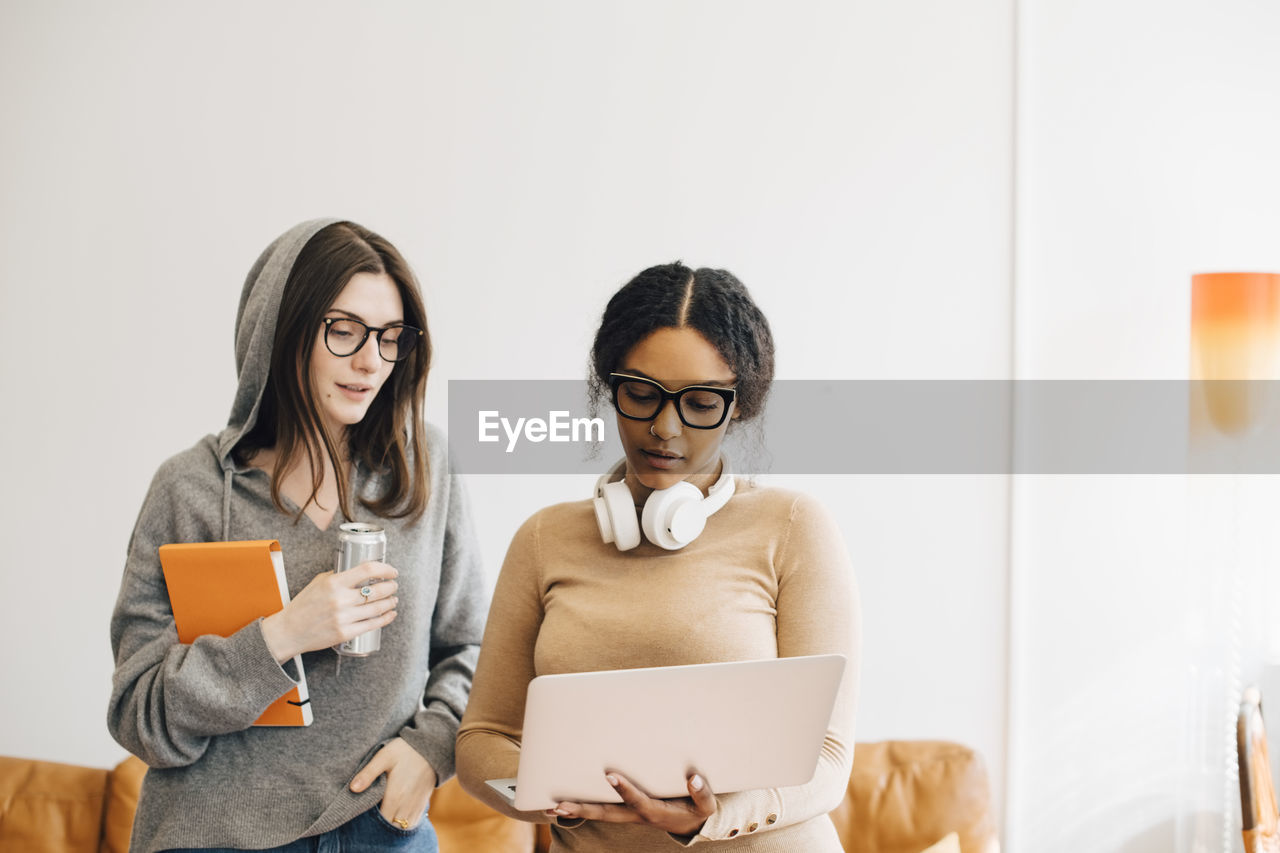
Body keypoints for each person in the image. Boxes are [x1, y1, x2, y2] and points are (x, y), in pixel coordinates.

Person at [107, 219, 487, 853]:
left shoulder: (427, 470)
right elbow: (138, 715)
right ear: (281, 332)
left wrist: (430, 751)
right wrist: (281, 636)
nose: (371, 361)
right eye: (344, 331)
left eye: (390, 338)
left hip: (382, 831)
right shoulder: (190, 489)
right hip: (212, 835)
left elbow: (473, 648)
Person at [455, 261, 861, 851]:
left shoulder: (795, 527)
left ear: (739, 405)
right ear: (609, 386)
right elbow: (481, 741)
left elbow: (828, 758)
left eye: (699, 403)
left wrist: (706, 817)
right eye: (641, 394)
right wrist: (558, 797)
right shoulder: (544, 539)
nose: (664, 427)